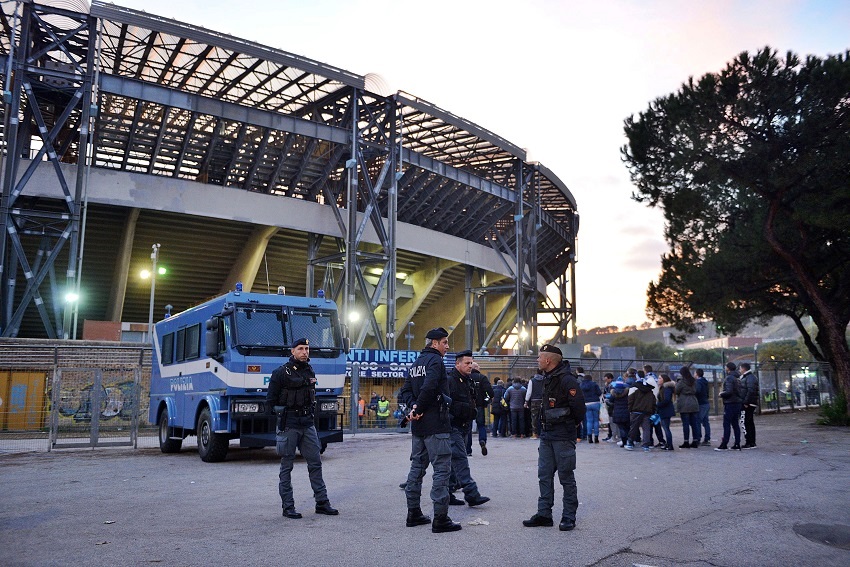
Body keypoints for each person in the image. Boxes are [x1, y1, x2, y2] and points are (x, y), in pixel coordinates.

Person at [398, 327, 462, 533]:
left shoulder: (416, 363)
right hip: (436, 424)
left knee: (417, 468)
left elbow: (405, 390)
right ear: (434, 343)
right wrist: (420, 407)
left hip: (418, 426)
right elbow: (430, 387)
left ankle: (413, 513)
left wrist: (414, 408)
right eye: (445, 342)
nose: (447, 346)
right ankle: (441, 519)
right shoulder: (435, 361)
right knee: (442, 470)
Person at [266, 338, 338, 519]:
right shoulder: (280, 373)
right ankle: (288, 507)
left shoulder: (309, 370)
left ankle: (322, 503)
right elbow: (270, 403)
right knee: (286, 466)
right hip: (289, 424)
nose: (305, 352)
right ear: (293, 351)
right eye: (301, 349)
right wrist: (282, 416)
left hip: (307, 424)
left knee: (315, 463)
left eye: (307, 348)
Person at [523, 344, 585, 531]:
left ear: (548, 360)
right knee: (544, 475)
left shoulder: (567, 380)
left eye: (539, 357)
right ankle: (544, 514)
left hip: (563, 435)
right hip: (547, 434)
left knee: (566, 476)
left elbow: (579, 409)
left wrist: (570, 425)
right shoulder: (547, 379)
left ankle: (568, 516)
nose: (537, 360)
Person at [446, 350, 490, 507]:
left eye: (471, 363)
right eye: (467, 363)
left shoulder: (468, 380)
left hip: (464, 424)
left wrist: (479, 405)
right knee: (460, 458)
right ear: (457, 364)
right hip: (453, 425)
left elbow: (484, 396)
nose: (470, 366)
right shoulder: (450, 380)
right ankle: (471, 493)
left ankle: (448, 492)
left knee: (452, 460)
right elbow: (447, 403)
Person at [468, 361, 494, 455]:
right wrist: (486, 400)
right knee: (481, 425)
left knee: (468, 427)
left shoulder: (467, 377)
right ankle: (482, 441)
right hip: (479, 406)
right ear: (477, 368)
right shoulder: (482, 378)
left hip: (468, 405)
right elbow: (490, 393)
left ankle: (468, 450)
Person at [715, 362, 743, 451]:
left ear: (728, 368)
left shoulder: (729, 378)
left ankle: (724, 443)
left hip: (730, 403)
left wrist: (721, 394)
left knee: (726, 424)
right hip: (737, 402)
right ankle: (737, 443)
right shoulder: (737, 378)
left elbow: (729, 391)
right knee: (735, 424)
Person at [625, 376, 656, 452]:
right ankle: (646, 445)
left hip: (636, 412)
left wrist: (630, 410)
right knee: (646, 429)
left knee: (633, 428)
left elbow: (630, 401)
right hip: (647, 412)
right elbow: (653, 403)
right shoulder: (650, 392)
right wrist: (652, 411)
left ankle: (630, 443)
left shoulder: (636, 392)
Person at [675, 366, 700, 448]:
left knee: (685, 424)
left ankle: (686, 441)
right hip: (694, 402)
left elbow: (676, 390)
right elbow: (696, 390)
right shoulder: (693, 381)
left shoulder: (681, 381)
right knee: (694, 424)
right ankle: (695, 440)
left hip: (684, 403)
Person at [578, 368, 603, 443]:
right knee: (596, 421)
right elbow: (599, 393)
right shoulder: (594, 384)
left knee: (589, 421)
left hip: (586, 404)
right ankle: (596, 437)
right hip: (595, 403)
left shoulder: (581, 385)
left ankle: (589, 438)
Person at [739, 362, 760, 449]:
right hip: (751, 402)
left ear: (743, 369)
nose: (739, 370)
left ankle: (749, 442)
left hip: (748, 403)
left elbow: (750, 390)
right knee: (749, 422)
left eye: (740, 368)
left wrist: (746, 402)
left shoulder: (748, 378)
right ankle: (752, 442)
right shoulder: (751, 377)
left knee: (745, 422)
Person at [656, 373, 676, 450]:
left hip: (666, 410)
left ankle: (670, 445)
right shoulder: (663, 388)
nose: (658, 379)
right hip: (664, 410)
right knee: (665, 427)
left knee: (666, 428)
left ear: (664, 379)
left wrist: (658, 404)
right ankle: (668, 444)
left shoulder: (666, 388)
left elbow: (666, 400)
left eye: (660, 378)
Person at [525, 371, 545, 439]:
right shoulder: (545, 380)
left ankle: (535, 434)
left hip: (534, 401)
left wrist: (526, 401)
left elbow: (529, 392)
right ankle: (543, 432)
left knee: (534, 418)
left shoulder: (532, 380)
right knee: (543, 417)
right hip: (543, 400)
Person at [694, 368, 711, 445]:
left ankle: (698, 438)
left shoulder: (698, 382)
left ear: (697, 374)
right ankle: (707, 438)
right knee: (705, 421)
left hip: (700, 403)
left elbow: (697, 391)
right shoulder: (705, 382)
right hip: (706, 402)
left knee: (698, 421)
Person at [601, 373, 616, 441]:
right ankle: (610, 435)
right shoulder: (608, 385)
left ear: (610, 378)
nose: (605, 380)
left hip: (611, 404)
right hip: (609, 404)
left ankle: (612, 435)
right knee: (610, 420)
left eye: (606, 378)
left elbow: (610, 395)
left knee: (611, 421)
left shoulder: (612, 385)